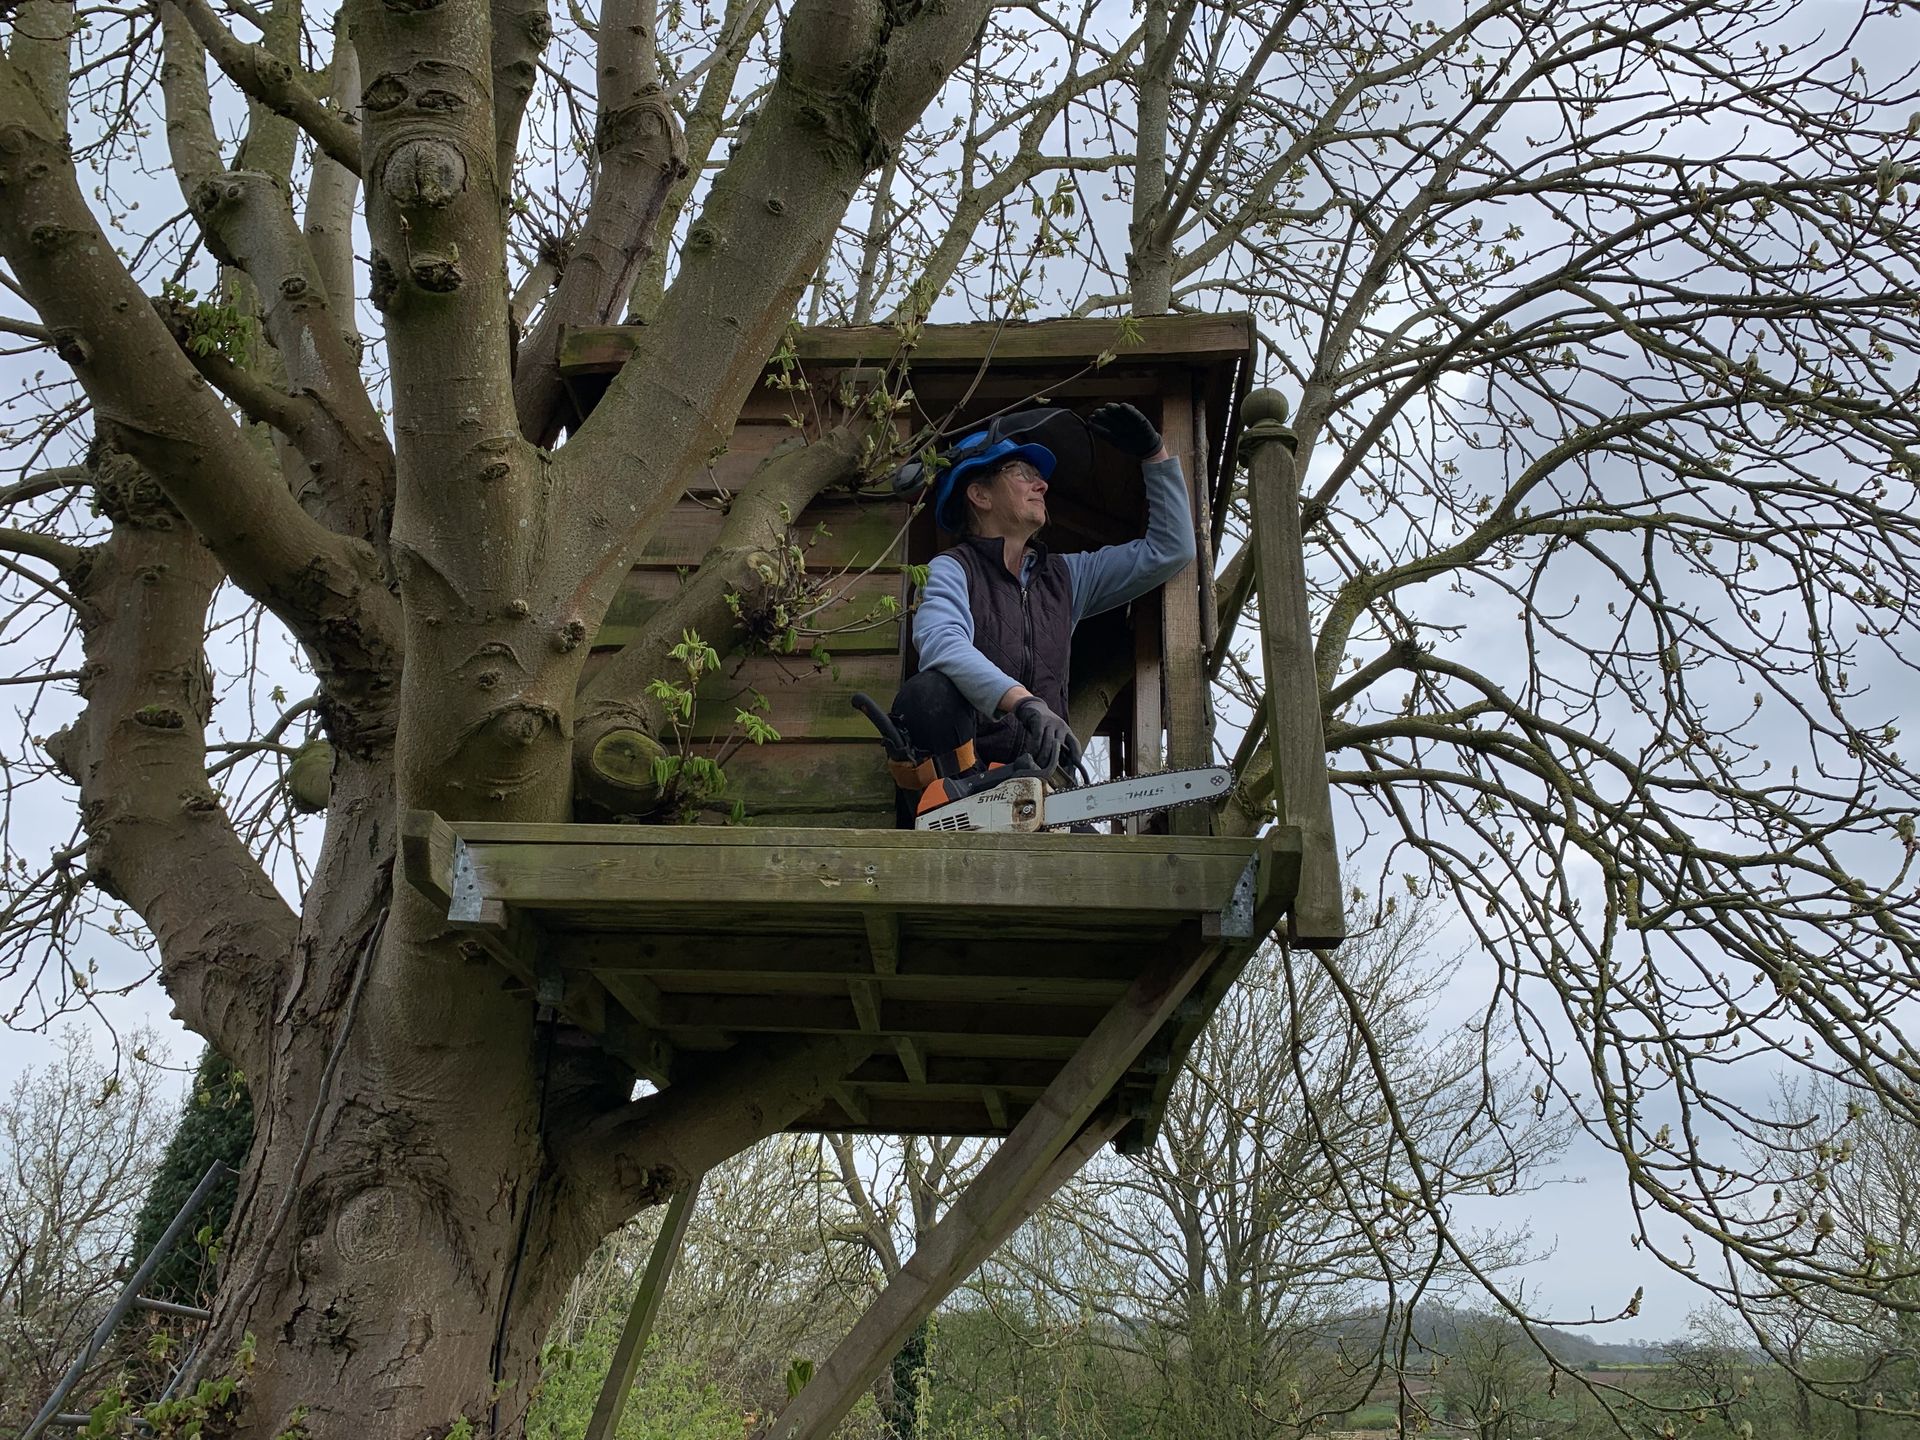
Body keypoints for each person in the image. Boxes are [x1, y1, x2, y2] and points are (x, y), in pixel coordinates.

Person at [887, 402, 1195, 810]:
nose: (1042, 485)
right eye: (1023, 474)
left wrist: (1154, 455)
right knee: (928, 692)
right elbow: (942, 645)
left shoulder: (1068, 576)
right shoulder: (950, 569)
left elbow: (1171, 549)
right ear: (979, 494)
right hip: (965, 781)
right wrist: (1024, 701)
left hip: (1038, 785)